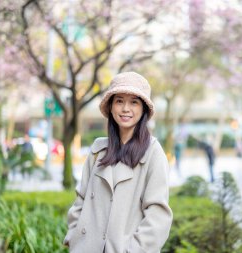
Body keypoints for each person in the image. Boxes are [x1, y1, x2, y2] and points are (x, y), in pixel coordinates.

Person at [64, 72, 173, 253]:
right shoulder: (98, 150)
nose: (125, 109)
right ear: (111, 106)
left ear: (143, 109)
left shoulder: (153, 152)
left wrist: (135, 250)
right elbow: (81, 199)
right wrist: (74, 237)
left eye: (134, 102)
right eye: (119, 101)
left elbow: (158, 214)